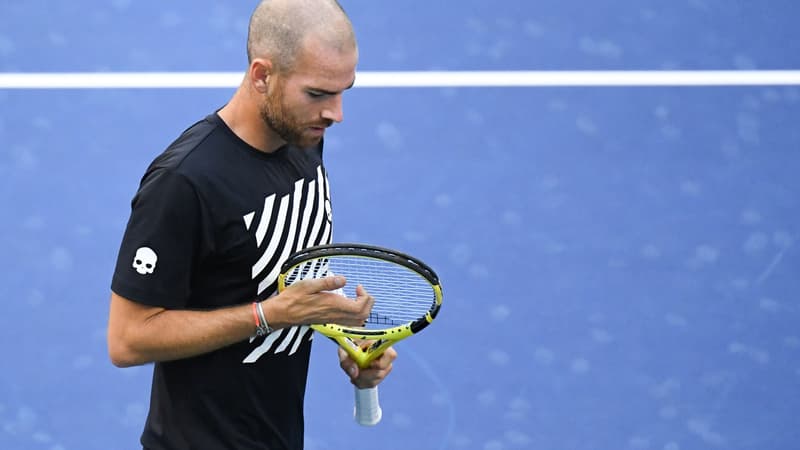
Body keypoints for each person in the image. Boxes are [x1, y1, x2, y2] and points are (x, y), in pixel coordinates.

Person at [106, 0, 397, 448]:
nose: (336, 113)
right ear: (262, 76)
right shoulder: (185, 182)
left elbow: (272, 264)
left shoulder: (302, 136)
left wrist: (344, 331)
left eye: (344, 91)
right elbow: (127, 340)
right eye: (318, 94)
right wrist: (271, 314)